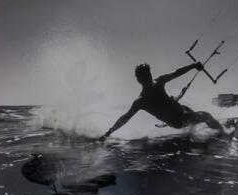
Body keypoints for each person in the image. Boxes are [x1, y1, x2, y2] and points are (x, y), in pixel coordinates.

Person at [97, 60, 230, 142]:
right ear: (139, 80)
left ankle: (196, 130)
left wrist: (193, 66)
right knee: (205, 115)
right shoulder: (141, 101)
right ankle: (224, 134)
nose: (148, 78)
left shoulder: (159, 82)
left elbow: (176, 73)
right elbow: (125, 118)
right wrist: (108, 133)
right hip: (178, 121)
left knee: (185, 107)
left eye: (149, 74)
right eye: (145, 77)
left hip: (180, 115)